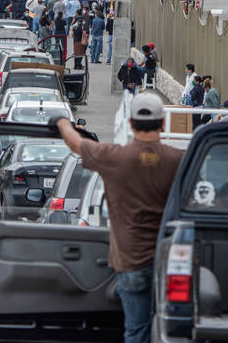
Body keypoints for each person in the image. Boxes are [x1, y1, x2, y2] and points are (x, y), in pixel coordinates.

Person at [53, 92, 183, 343]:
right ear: (163, 123)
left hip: (130, 262)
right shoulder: (177, 160)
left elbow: (76, 144)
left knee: (137, 329)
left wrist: (61, 122)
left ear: (131, 124)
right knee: (172, 330)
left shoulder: (114, 157)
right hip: (167, 263)